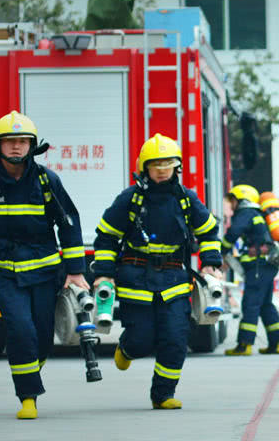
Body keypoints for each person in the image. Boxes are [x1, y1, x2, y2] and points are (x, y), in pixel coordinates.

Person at [0, 112, 88, 419]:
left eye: (22, 141)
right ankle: (28, 397)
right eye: (10, 141)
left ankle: (29, 370)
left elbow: (69, 224)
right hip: (3, 271)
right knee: (20, 328)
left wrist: (75, 270)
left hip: (44, 270)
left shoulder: (47, 180)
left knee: (41, 333)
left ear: (32, 146)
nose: (16, 147)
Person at [91, 133, 223, 409]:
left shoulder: (187, 200)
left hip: (174, 280)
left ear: (177, 168)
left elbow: (209, 231)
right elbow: (105, 237)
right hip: (136, 279)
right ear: (145, 168)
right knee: (141, 340)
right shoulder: (130, 200)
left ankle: (163, 394)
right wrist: (104, 272)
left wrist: (210, 262)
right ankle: (127, 349)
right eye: (156, 166)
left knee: (176, 337)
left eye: (168, 165)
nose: (162, 171)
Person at [222, 184, 279, 356]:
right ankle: (276, 343)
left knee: (250, 304)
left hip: (258, 266)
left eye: (233, 200)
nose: (231, 205)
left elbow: (234, 232)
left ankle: (244, 345)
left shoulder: (246, 213)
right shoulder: (258, 214)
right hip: (267, 265)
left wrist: (222, 250)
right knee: (265, 304)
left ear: (242, 199)